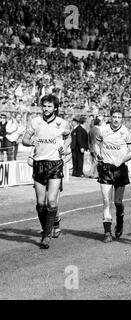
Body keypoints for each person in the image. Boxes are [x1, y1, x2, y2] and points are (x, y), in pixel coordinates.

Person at [21, 94, 71, 249]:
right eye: (44, 106)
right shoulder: (35, 122)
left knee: (52, 201)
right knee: (40, 203)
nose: (46, 109)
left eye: (49, 106)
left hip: (55, 164)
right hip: (39, 164)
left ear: (55, 108)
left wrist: (66, 146)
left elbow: (69, 137)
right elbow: (24, 140)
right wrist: (31, 141)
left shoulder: (62, 123)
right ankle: (47, 229)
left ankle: (46, 236)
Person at [94, 107, 131, 243]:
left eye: (118, 117)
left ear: (121, 118)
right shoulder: (102, 130)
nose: (116, 119)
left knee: (118, 202)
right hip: (106, 168)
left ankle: (120, 220)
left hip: (120, 169)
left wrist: (121, 160)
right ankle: (107, 232)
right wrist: (97, 153)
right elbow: (96, 144)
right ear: (110, 117)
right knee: (106, 201)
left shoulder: (126, 132)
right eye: (114, 116)